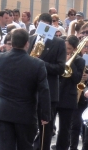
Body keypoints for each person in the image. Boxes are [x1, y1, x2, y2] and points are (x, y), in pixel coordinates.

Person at [0, 28, 51, 150]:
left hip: (4, 113)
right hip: (26, 114)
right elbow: (44, 91)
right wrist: (45, 115)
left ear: (11, 43)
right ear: (27, 44)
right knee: (25, 147)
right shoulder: (38, 64)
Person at [27, 13, 66, 150]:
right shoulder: (30, 39)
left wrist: (40, 63)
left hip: (49, 92)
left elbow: (61, 68)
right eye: (39, 24)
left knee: (46, 129)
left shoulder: (59, 42)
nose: (41, 27)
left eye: (45, 25)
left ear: (50, 26)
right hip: (30, 92)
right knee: (28, 127)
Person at [52, 35, 85, 149]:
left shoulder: (80, 61)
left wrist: (71, 63)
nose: (66, 51)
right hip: (55, 95)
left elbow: (77, 79)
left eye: (69, 49)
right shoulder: (58, 57)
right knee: (49, 125)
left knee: (65, 129)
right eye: (65, 48)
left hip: (68, 98)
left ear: (75, 49)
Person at [69, 39, 88, 150]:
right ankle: (73, 147)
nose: (86, 49)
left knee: (86, 126)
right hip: (77, 93)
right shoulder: (76, 60)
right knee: (75, 125)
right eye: (84, 47)